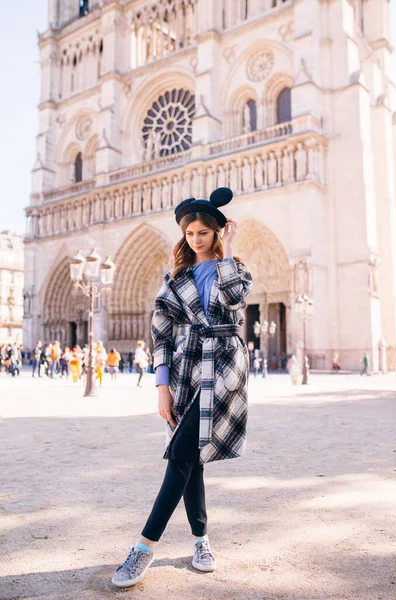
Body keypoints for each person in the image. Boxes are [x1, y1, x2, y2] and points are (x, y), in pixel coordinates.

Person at [111, 186, 252, 589]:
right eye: (189, 233)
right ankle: (202, 541)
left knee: (182, 456)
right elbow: (162, 334)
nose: (196, 238)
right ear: (184, 237)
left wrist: (230, 251)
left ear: (217, 232)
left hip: (224, 368)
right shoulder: (174, 281)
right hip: (186, 370)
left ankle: (143, 547)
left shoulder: (237, 270)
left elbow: (234, 301)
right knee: (191, 459)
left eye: (204, 232)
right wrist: (161, 386)